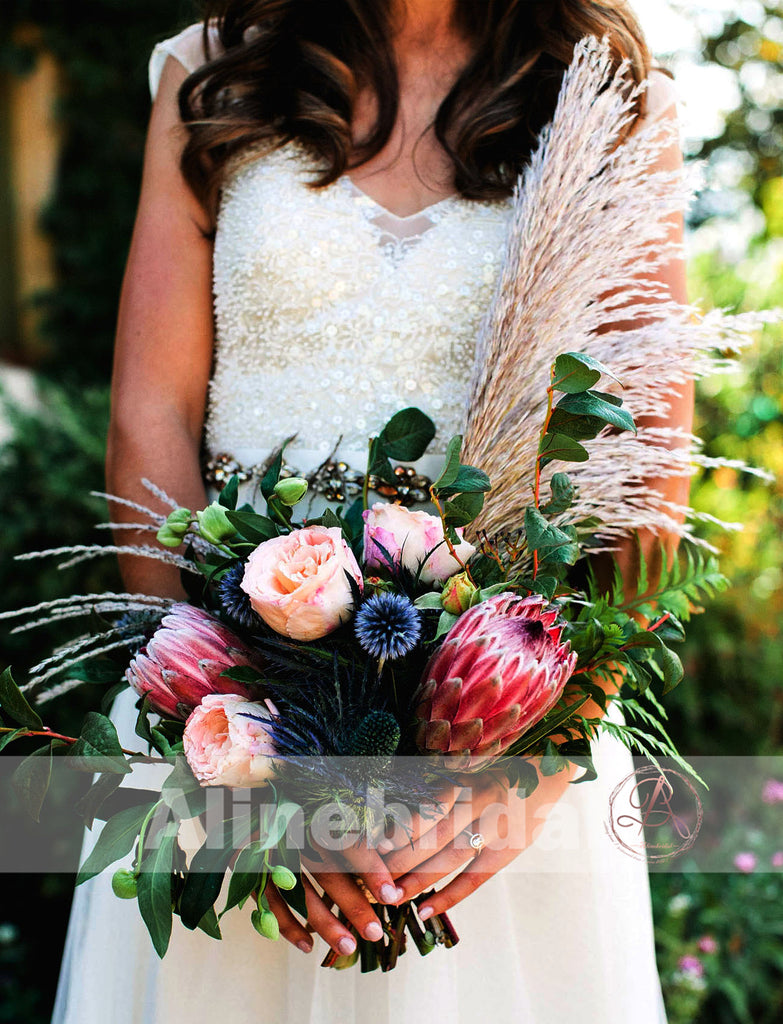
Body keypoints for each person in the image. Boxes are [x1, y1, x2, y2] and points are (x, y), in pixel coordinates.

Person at [53, 2, 692, 1021]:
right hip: (229, 712)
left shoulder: (606, 92)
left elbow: (647, 467)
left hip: (498, 745)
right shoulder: (213, 69)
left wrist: (539, 760)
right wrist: (225, 745)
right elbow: (150, 413)